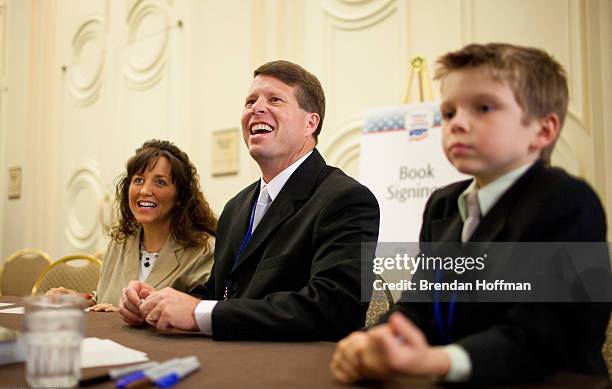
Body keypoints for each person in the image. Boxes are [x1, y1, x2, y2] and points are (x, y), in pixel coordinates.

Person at [330, 43, 611, 386]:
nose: (457, 124)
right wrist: (376, 340)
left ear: (543, 130)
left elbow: (547, 336)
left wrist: (438, 361)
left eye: (483, 108)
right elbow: (418, 309)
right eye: (448, 113)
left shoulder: (568, 202)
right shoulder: (443, 205)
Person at [118, 60, 380, 340]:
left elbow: (338, 310)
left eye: (275, 99)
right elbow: (219, 293)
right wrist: (157, 303)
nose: (256, 109)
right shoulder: (236, 207)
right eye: (250, 101)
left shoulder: (347, 200)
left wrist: (198, 313)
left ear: (310, 123)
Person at [48, 140, 216, 311]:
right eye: (139, 180)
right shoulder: (120, 241)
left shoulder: (204, 251)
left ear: (180, 195)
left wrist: (127, 317)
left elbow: (202, 317)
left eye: (160, 182)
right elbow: (104, 297)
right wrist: (82, 300)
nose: (144, 190)